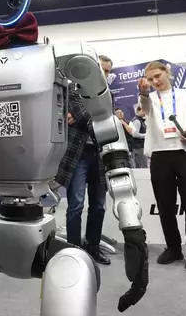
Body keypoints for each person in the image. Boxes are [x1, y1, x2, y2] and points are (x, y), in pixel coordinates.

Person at [137, 61, 186, 271]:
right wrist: (143, 93)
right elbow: (144, 109)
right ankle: (173, 248)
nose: (155, 81)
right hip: (160, 156)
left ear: (167, 73)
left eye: (158, 76)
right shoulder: (148, 98)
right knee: (165, 206)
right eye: (150, 79)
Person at [56, 83, 111, 265]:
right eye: (102, 69)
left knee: (98, 205)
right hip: (78, 155)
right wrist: (102, 119)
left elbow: (106, 120)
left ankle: (93, 247)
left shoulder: (105, 93)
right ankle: (74, 249)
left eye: (107, 71)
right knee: (76, 204)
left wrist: (86, 118)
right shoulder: (73, 90)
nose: (104, 74)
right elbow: (90, 118)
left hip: (101, 153)